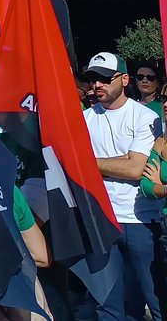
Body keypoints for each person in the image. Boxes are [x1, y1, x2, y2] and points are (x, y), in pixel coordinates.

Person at [80, 51, 163, 321]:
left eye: (104, 78)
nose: (97, 85)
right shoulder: (84, 118)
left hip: (140, 219)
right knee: (110, 305)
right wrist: (120, 161)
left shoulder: (143, 116)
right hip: (102, 219)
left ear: (125, 79)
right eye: (92, 79)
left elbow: (136, 169)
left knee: (155, 298)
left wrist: (89, 163)